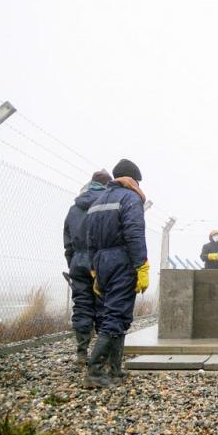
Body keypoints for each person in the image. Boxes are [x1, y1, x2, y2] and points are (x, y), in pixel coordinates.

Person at [84, 159, 149, 388]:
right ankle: (95, 372)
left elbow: (89, 238)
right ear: (132, 179)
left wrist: (94, 269)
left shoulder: (98, 200)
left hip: (102, 262)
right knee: (117, 316)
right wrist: (141, 265)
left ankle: (114, 371)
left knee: (110, 314)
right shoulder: (130, 198)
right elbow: (134, 233)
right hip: (122, 261)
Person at [63, 169, 111, 365]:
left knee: (81, 304)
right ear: (108, 185)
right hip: (101, 261)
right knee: (103, 305)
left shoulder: (74, 209)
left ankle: (82, 352)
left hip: (79, 262)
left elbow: (67, 242)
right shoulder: (107, 204)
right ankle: (101, 353)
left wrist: (72, 263)